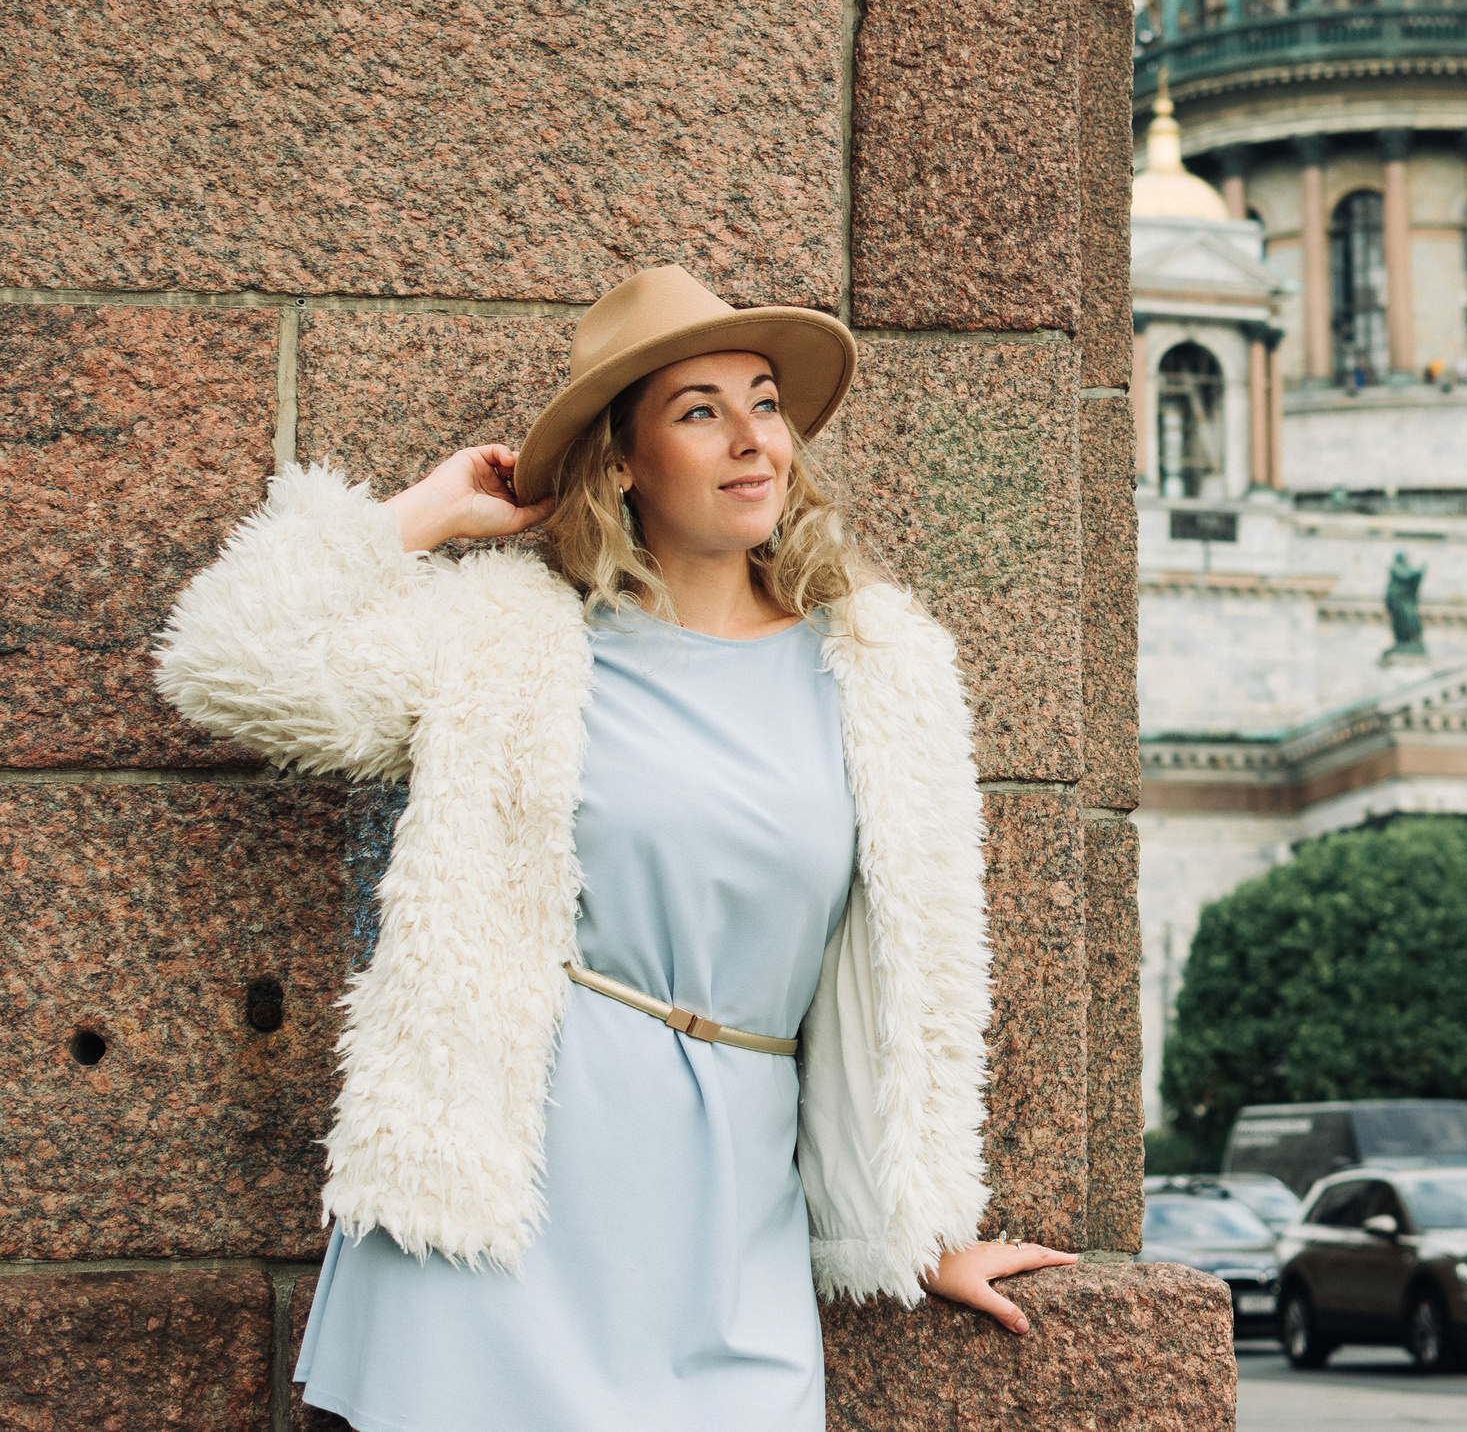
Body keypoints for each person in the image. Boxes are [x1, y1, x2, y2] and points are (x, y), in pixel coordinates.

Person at [155, 266, 1072, 1431]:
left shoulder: (884, 669)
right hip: (514, 1190)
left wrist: (912, 1226)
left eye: (765, 404)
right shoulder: (510, 639)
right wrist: (427, 512)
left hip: (733, 1212)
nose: (753, 441)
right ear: (622, 459)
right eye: (699, 412)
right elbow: (226, 664)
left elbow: (909, 974)